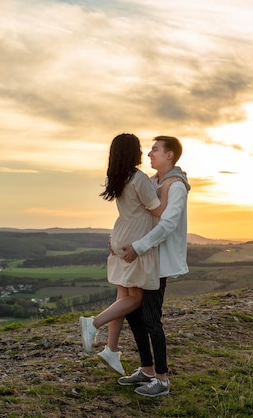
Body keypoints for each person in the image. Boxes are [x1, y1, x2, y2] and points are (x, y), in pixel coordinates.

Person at [79, 133, 174, 376]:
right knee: (137, 299)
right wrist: (170, 185)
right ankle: (94, 322)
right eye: (140, 148)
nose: (143, 153)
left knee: (123, 297)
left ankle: (111, 350)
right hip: (135, 239)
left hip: (121, 234)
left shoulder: (119, 177)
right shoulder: (139, 179)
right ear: (133, 152)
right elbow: (159, 210)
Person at [118, 135, 190, 397]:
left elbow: (168, 224)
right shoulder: (151, 182)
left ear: (170, 155)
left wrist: (138, 247)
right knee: (134, 314)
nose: (149, 154)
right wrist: (118, 239)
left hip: (158, 260)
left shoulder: (177, 186)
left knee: (151, 317)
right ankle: (147, 369)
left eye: (155, 150)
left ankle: (162, 379)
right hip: (145, 258)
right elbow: (136, 215)